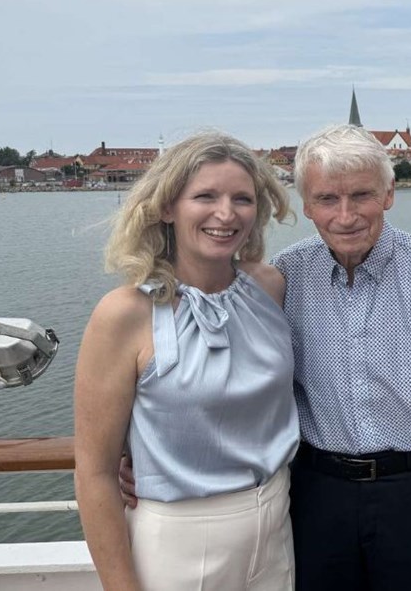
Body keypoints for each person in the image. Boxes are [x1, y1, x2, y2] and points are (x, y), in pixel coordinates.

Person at [75, 131, 298, 590]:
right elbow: (94, 472)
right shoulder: (125, 315)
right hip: (180, 542)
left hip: (276, 527)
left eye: (242, 198)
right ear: (166, 208)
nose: (226, 213)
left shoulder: (268, 287)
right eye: (205, 196)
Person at [271, 124, 411, 591]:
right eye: (327, 200)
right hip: (316, 490)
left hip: (410, 490)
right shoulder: (285, 276)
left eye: (361, 195)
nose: (345, 216)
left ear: (388, 194)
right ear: (306, 205)